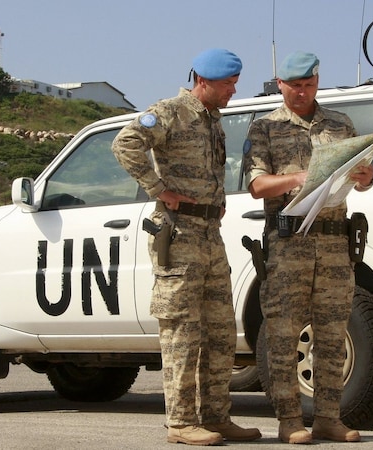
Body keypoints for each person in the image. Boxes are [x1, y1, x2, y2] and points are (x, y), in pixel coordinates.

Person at [111, 48, 261, 446]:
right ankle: (180, 422)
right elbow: (125, 144)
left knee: (220, 332)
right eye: (228, 84)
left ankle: (216, 416)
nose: (233, 90)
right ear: (204, 81)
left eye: (234, 83)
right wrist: (158, 189)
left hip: (209, 235)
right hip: (178, 234)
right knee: (181, 331)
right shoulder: (171, 111)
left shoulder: (212, 118)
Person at [244, 51, 373, 444]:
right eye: (294, 86)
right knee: (282, 335)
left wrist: (366, 177)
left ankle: (329, 418)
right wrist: (296, 178)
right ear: (280, 84)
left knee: (332, 335)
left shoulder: (340, 123)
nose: (302, 93)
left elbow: (359, 179)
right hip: (288, 245)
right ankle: (289, 421)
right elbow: (256, 186)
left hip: (335, 243)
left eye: (309, 85)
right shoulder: (264, 128)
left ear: (318, 81)